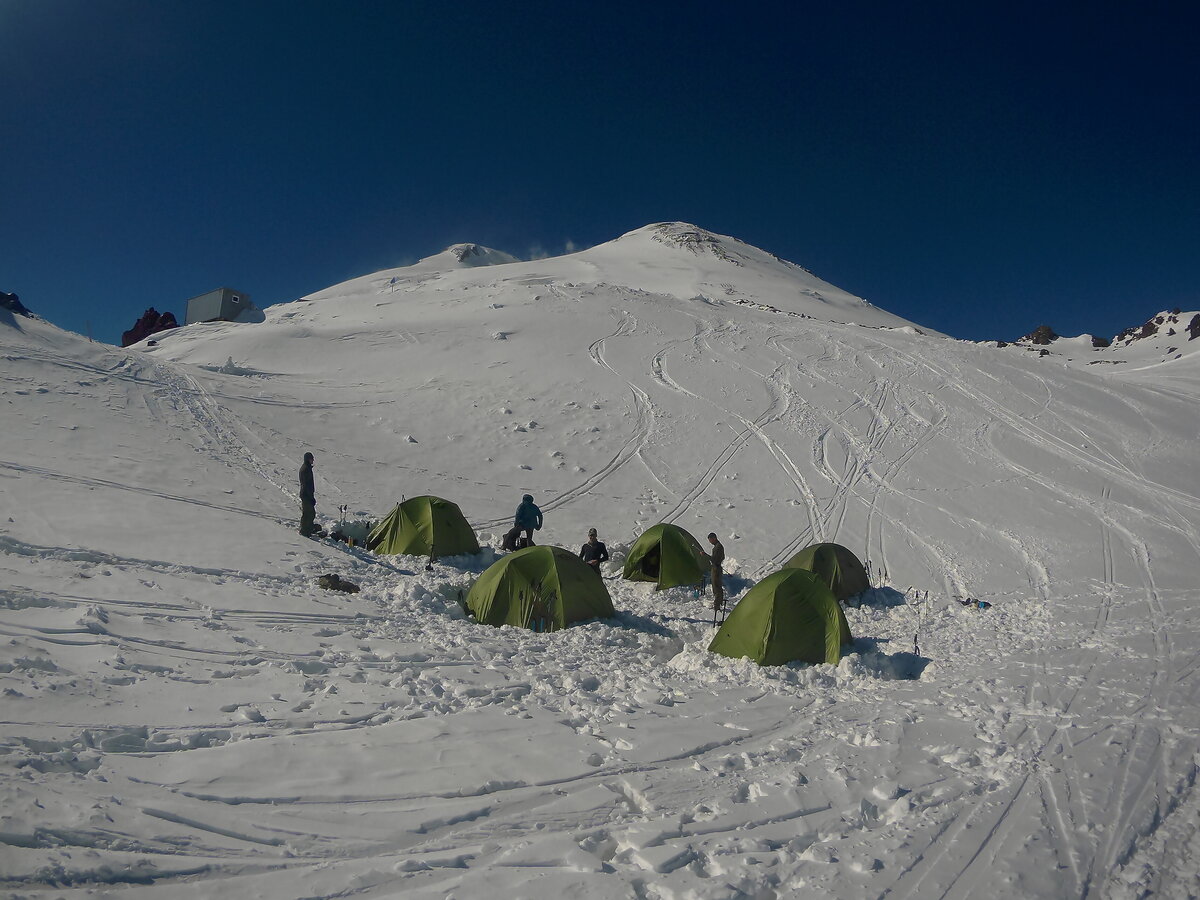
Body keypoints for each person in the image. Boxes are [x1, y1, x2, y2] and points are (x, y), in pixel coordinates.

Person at [299, 452, 318, 537]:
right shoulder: (306, 469)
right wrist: (311, 497)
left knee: (309, 513)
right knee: (309, 513)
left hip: (306, 494)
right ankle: (305, 531)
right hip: (306, 495)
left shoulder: (307, 468)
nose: (313, 460)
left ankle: (308, 529)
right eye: (311, 458)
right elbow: (307, 485)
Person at [707, 532, 725, 610]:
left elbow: (714, 559)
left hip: (716, 569)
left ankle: (717, 605)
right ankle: (719, 602)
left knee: (716, 587)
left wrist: (706, 555)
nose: (710, 542)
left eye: (710, 540)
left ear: (714, 538)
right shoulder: (718, 546)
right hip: (716, 568)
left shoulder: (718, 547)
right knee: (717, 586)